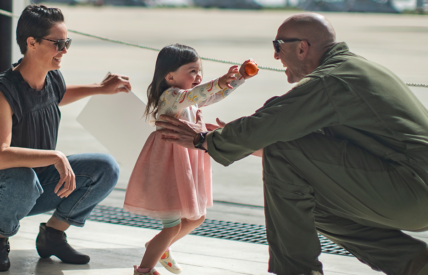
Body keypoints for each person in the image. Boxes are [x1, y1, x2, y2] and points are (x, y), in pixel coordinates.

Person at [155, 13, 428, 275]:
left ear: (302, 48)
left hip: (412, 190)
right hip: (411, 189)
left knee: (280, 147)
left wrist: (203, 140)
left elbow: (273, 121)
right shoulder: (353, 69)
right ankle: (414, 264)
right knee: (309, 201)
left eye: (278, 46)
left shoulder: (331, 79)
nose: (275, 55)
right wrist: (251, 144)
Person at [0, 4, 131, 272]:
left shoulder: (52, 78)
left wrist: (101, 89)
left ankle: (52, 236)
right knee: (24, 177)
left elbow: (57, 96)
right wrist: (56, 156)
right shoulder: (4, 91)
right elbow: (1, 154)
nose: (65, 50)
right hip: (10, 186)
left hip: (36, 183)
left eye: (67, 41)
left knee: (105, 168)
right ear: (32, 43)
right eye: (58, 43)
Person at [123, 43, 256, 275]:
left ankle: (160, 247)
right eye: (192, 71)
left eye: (199, 70)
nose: (198, 75)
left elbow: (213, 95)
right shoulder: (172, 96)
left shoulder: (188, 100)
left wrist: (240, 78)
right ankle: (143, 270)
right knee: (172, 226)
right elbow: (197, 93)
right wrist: (218, 81)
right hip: (168, 168)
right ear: (170, 76)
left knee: (197, 217)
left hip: (186, 164)